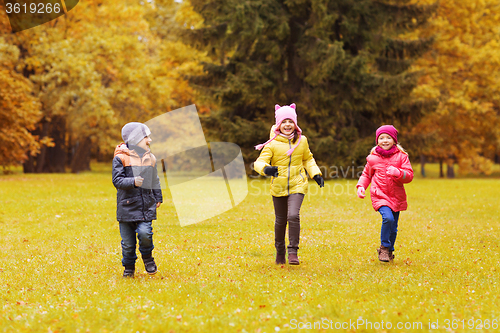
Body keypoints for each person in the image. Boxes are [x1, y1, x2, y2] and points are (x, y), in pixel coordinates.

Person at [254, 104, 324, 265]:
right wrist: (267, 169)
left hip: (297, 184)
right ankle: (280, 251)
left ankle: (292, 251)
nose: (287, 125)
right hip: (278, 186)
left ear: (295, 123)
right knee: (281, 220)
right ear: (278, 124)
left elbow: (308, 159)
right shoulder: (271, 144)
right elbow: (259, 163)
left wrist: (315, 173)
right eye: (284, 121)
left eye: (290, 121)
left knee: (293, 215)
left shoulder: (302, 141)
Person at [112, 122, 163, 277]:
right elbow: (117, 181)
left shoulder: (151, 158)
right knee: (127, 244)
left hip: (145, 206)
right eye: (146, 136)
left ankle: (148, 258)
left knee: (145, 233)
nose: (149, 140)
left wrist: (157, 196)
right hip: (126, 207)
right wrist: (133, 182)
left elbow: (155, 180)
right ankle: (129, 267)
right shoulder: (121, 158)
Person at [356, 125, 413, 262]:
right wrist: (361, 186)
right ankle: (384, 247)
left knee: (393, 228)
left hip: (396, 196)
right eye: (381, 138)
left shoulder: (402, 157)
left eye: (388, 137)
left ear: (394, 140)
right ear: (377, 141)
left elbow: (409, 175)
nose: (385, 140)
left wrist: (398, 173)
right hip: (380, 195)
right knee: (388, 218)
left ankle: (389, 251)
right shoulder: (373, 158)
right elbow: (366, 175)